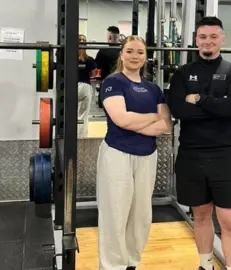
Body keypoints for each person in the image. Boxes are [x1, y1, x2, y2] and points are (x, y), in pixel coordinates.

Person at [167, 17, 231, 270]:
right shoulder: (181, 73)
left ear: (222, 39)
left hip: (225, 156)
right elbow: (179, 110)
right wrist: (215, 104)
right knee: (200, 217)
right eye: (203, 37)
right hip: (191, 155)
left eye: (213, 36)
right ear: (195, 40)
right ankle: (206, 265)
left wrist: (199, 99)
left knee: (229, 221)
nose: (208, 41)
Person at [96, 35, 172, 270]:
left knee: (140, 215)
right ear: (121, 54)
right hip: (117, 154)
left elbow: (166, 126)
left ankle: (131, 262)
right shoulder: (113, 82)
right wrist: (152, 118)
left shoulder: (154, 88)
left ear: (145, 57)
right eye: (130, 51)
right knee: (115, 212)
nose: (135, 56)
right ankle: (112, 266)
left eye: (140, 52)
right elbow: (120, 119)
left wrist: (136, 123)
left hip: (147, 155)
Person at [95, 26, 122, 108]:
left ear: (109, 37)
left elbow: (97, 68)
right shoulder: (124, 51)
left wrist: (98, 81)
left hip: (107, 83)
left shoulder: (103, 51)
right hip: (121, 83)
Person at [78, 34, 97, 137]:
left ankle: (70, 136)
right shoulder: (90, 60)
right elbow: (93, 75)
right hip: (85, 87)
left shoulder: (70, 58)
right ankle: (81, 138)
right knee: (83, 115)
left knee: (72, 113)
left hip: (72, 86)